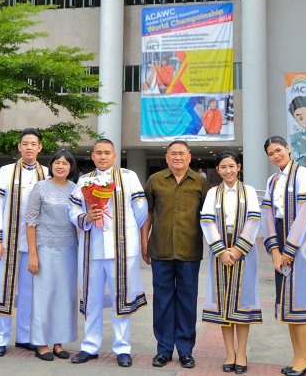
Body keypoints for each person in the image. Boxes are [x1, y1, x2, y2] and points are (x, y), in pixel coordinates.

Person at [68, 139, 148, 368]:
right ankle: (89, 346)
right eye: (98, 153)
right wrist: (85, 218)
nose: (103, 157)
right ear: (92, 156)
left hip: (121, 250)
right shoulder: (84, 180)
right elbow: (72, 210)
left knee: (120, 299)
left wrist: (127, 232)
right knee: (91, 299)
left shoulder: (128, 177)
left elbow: (141, 210)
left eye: (107, 153)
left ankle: (122, 348)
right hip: (92, 248)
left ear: (115, 156)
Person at [142, 140, 210, 369]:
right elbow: (148, 214)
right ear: (167, 157)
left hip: (189, 251)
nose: (177, 157)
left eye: (182, 153)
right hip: (160, 249)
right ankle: (163, 350)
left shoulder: (201, 183)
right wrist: (144, 242)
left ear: (189, 156)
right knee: (162, 301)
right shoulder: (155, 180)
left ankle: (185, 350)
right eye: (173, 154)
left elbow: (208, 218)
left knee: (187, 302)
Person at [0, 128, 49, 356]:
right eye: (25, 143)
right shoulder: (5, 172)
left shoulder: (47, 174)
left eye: (33, 144)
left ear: (40, 148)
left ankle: (24, 336)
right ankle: (0, 338)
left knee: (31, 292)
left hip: (34, 246)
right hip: (7, 243)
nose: (29, 147)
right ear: (19, 147)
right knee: (4, 290)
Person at [262, 136, 306, 376]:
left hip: (301, 237)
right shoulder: (272, 180)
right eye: (271, 153)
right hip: (280, 234)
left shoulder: (304, 174)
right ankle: (298, 356)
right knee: (286, 301)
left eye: (279, 150)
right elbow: (268, 215)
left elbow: (305, 211)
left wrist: (289, 249)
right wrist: (275, 250)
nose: (276, 156)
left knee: (300, 298)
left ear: (288, 149)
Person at [200, 152, 262, 374]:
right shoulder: (212, 193)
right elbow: (207, 221)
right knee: (223, 305)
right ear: (218, 169)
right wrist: (220, 250)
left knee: (242, 303)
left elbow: (254, 219)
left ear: (239, 167)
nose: (228, 171)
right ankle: (229, 353)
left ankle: (242, 353)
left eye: (232, 166)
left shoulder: (250, 192)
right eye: (223, 167)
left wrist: (237, 250)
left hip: (244, 252)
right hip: (219, 253)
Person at [26, 149, 79, 361]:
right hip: (45, 248)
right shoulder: (40, 187)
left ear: (70, 168)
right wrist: (33, 254)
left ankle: (58, 342)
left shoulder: (76, 189)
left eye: (65, 164)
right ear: (51, 165)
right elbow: (31, 221)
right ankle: (40, 343)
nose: (61, 166)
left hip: (69, 249)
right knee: (43, 296)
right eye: (57, 162)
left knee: (64, 297)